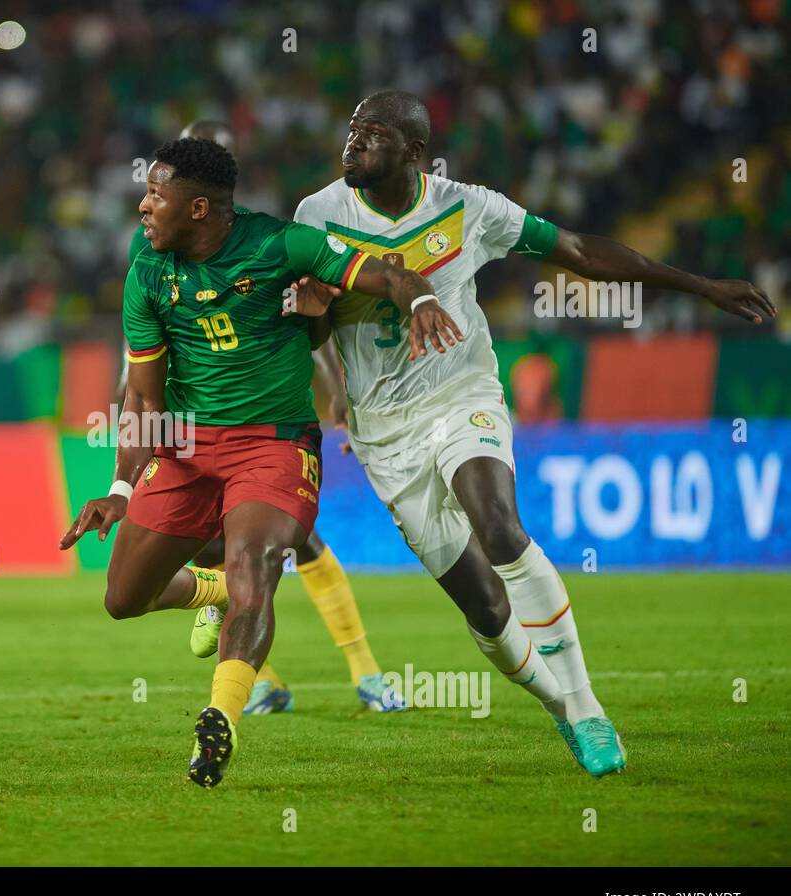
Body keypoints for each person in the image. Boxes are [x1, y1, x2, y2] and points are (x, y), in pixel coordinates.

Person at [294, 90, 777, 777]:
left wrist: (697, 285)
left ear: (414, 151)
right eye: (350, 131)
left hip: (461, 393)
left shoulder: (468, 208)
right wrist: (323, 346)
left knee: (500, 526)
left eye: (370, 134)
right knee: (487, 611)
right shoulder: (317, 216)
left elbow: (578, 251)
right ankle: (558, 705)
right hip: (384, 435)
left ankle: (587, 708)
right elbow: (311, 327)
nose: (353, 144)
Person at [60, 136, 458, 787]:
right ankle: (214, 594)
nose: (141, 206)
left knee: (258, 565)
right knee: (124, 598)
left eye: (156, 194)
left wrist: (418, 299)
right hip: (186, 449)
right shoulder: (148, 274)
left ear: (198, 208)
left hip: (273, 444)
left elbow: (381, 272)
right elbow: (143, 399)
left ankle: (220, 720)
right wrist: (121, 489)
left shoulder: (281, 246)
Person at [122, 120, 406, 717]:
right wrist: (129, 466)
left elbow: (309, 322)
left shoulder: (266, 240)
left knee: (289, 545)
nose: (146, 203)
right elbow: (149, 348)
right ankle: (269, 682)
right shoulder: (149, 250)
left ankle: (367, 673)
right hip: (189, 433)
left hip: (267, 433)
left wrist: (337, 400)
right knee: (204, 565)